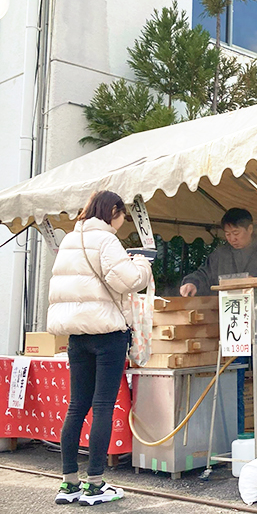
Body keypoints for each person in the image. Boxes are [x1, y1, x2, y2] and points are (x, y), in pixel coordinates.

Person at [47, 191, 153, 505]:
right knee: (103, 405)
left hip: (76, 336)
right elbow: (128, 281)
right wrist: (142, 265)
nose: (121, 224)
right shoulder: (107, 241)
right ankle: (95, 484)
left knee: (77, 406)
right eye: (122, 217)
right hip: (107, 334)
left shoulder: (69, 240)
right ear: (114, 211)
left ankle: (69, 484)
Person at [180, 207, 257, 434]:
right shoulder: (220, 255)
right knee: (232, 382)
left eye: (237, 233)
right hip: (234, 324)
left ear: (250, 229)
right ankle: (234, 436)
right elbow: (203, 273)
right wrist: (192, 282)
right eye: (228, 234)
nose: (232, 238)